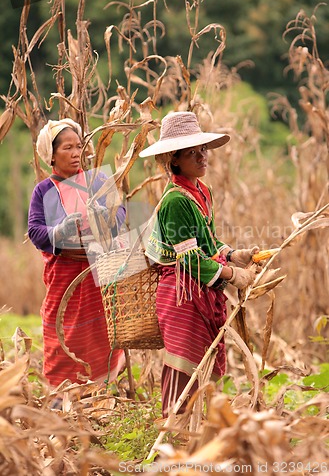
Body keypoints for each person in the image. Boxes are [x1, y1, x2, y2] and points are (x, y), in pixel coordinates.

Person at [139, 111, 259, 417]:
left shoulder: (202, 192)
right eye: (192, 152)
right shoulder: (175, 200)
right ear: (174, 160)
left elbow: (208, 243)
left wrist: (233, 254)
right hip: (182, 297)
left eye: (202, 149)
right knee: (184, 370)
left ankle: (198, 436)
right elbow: (189, 258)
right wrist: (233, 276)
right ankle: (175, 438)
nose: (202, 156)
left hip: (200, 294)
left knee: (203, 371)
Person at [28, 118, 126, 388]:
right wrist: (59, 232)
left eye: (79, 146)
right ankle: (64, 394)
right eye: (67, 148)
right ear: (51, 156)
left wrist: (107, 219)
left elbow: (121, 211)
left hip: (100, 275)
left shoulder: (98, 180)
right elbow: (35, 231)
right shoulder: (44, 191)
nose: (76, 153)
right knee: (62, 333)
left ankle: (104, 391)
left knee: (103, 333)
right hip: (65, 280)